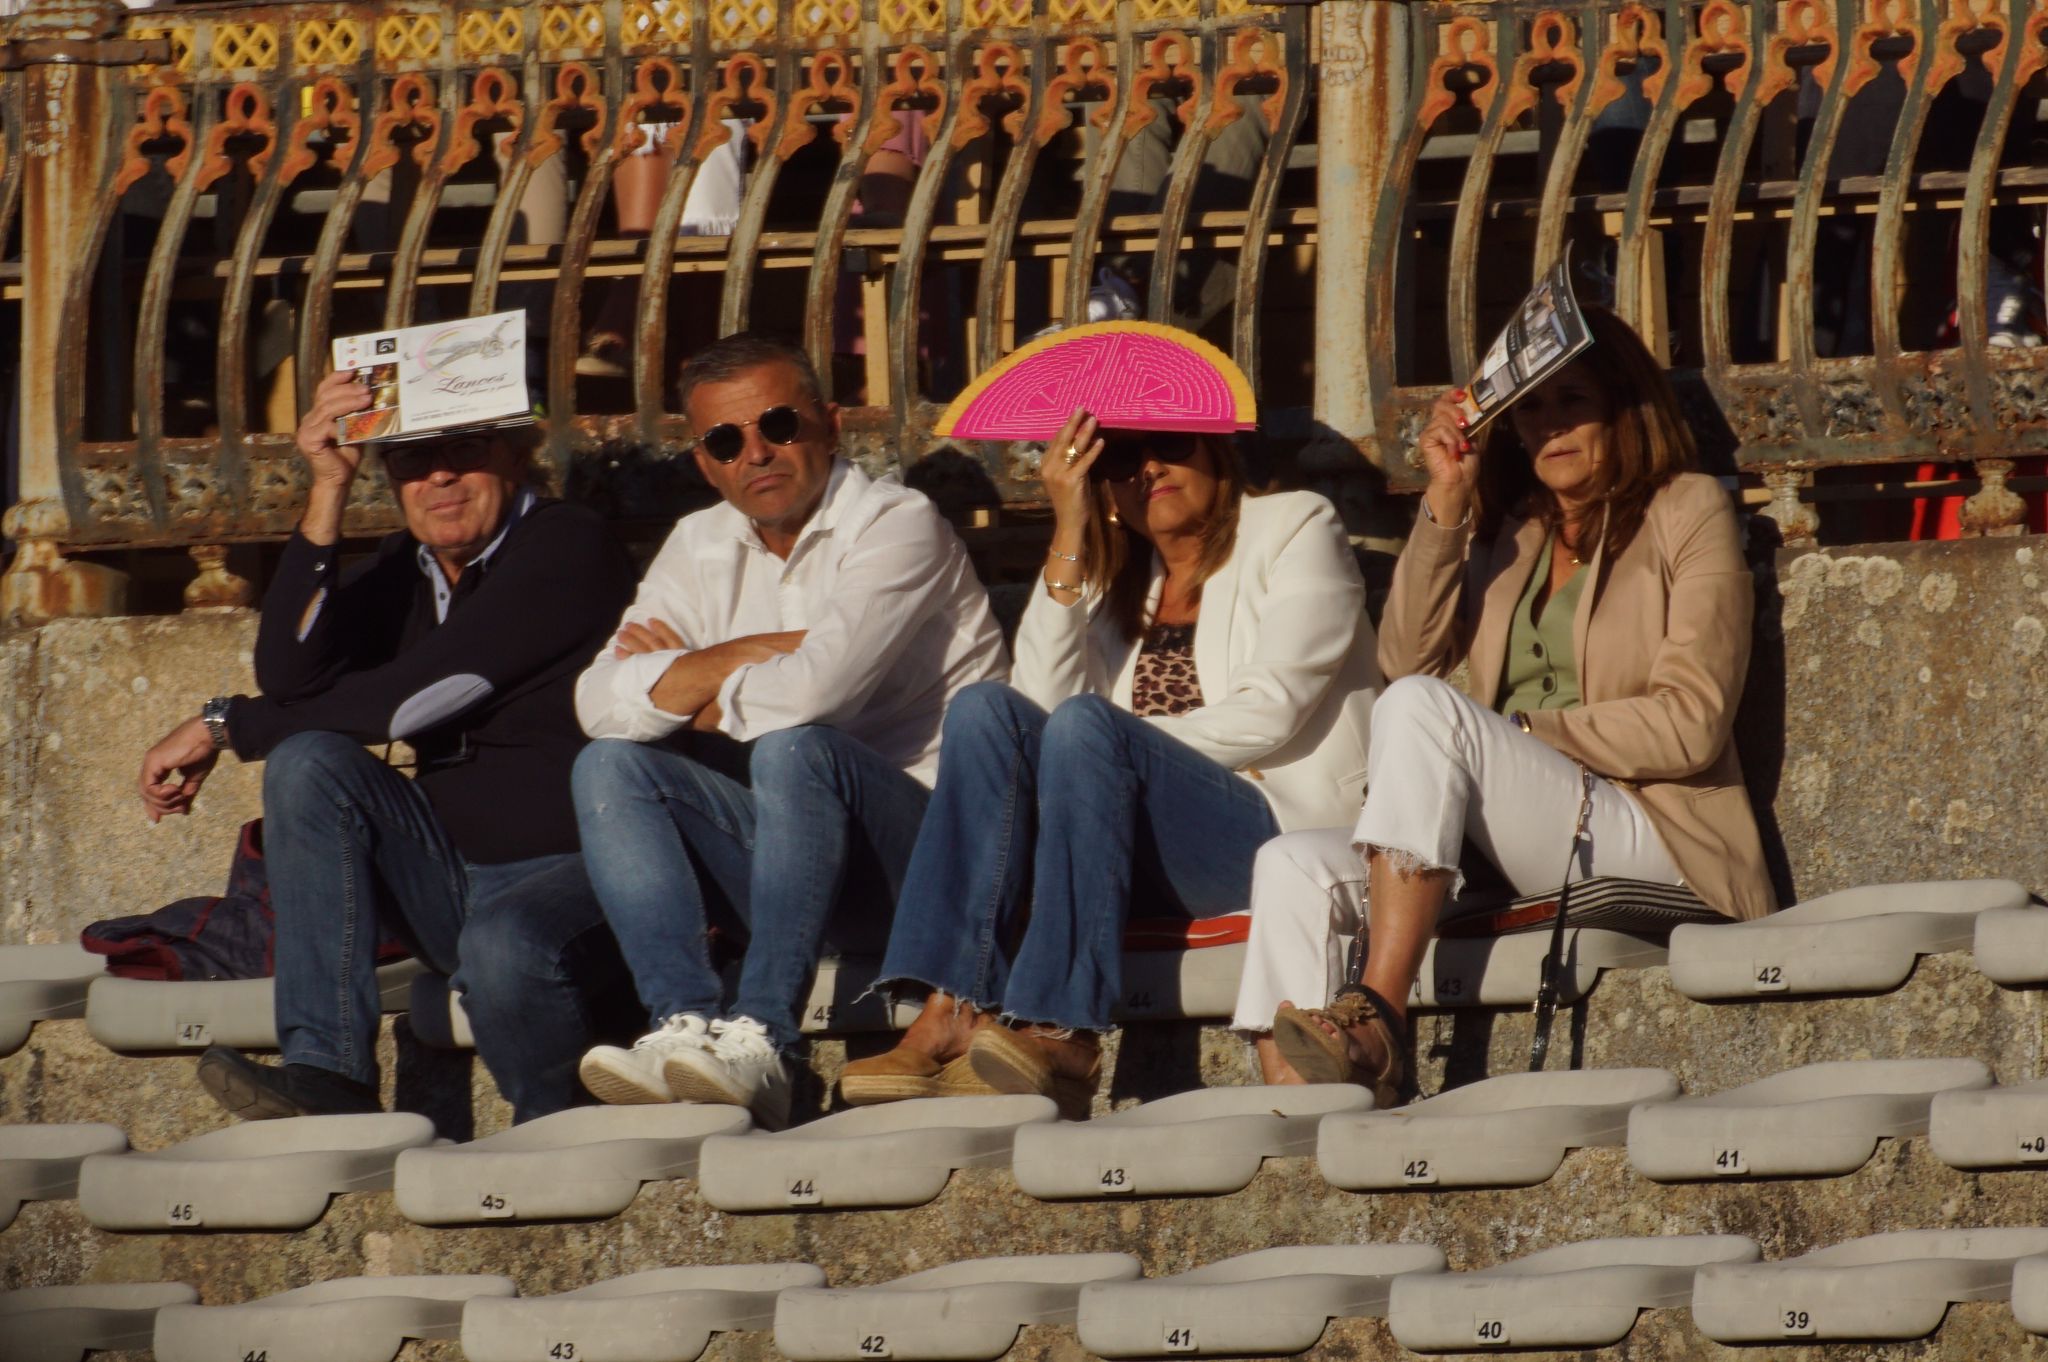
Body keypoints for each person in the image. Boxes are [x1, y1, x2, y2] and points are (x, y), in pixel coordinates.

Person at [1231, 306, 1775, 1105]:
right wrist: (1447, 499)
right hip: (1517, 834)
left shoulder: (1686, 510)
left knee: (1425, 710)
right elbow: (1404, 659)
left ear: (1623, 406)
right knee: (1289, 868)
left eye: (1571, 403)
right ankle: (1298, 1111)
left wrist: (1521, 735)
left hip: (1652, 825)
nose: (1547, 429)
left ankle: (1378, 1014)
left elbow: (1691, 720)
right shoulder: (1514, 532)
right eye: (1531, 410)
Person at [839, 325, 1381, 1118]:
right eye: (1119, 461)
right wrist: (1069, 530)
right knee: (986, 708)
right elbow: (1037, 704)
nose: (1147, 470)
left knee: (1089, 728)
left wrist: (1117, 749)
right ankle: (952, 1003)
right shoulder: (1124, 583)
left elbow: (1274, 708)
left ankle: (1065, 1028)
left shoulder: (1295, 526)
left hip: (1270, 828)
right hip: (1132, 847)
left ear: (1215, 449)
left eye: (1167, 444)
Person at [137, 369, 639, 1124]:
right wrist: (328, 489)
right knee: (309, 760)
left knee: (505, 946)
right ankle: (328, 1072)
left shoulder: (567, 543)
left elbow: (425, 697)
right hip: (449, 878)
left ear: (512, 450)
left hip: (580, 873)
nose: (438, 476)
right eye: (408, 458)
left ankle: (559, 1126)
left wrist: (226, 727)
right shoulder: (410, 568)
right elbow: (290, 678)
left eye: (463, 449)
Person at [570, 332, 1007, 1126]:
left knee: (800, 749)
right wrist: (746, 654)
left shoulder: (898, 524)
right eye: (727, 441)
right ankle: (684, 1023)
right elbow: (598, 702)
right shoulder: (697, 543)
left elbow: (818, 696)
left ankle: (767, 1037)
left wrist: (693, 679)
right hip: (793, 864)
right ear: (706, 462)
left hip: (925, 864)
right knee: (609, 768)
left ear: (831, 426)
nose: (756, 453)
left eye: (778, 424)